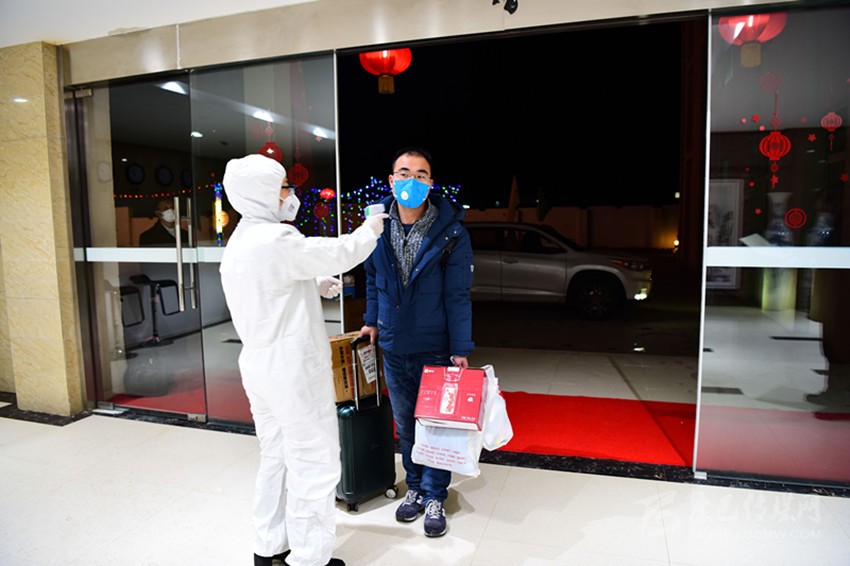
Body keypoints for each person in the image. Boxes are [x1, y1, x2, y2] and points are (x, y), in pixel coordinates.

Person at [219, 153, 388, 566]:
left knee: (276, 456)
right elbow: (338, 251)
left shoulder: (240, 241)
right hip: (292, 369)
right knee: (315, 460)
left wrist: (311, 282)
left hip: (258, 365)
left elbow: (268, 286)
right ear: (263, 193)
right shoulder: (277, 239)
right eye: (284, 187)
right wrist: (369, 230)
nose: (290, 194)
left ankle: (269, 547)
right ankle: (310, 558)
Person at [359, 147, 474, 538]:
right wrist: (371, 322)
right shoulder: (375, 226)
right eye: (405, 173)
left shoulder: (451, 233)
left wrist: (460, 348)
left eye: (421, 174)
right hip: (393, 344)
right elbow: (373, 279)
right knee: (406, 423)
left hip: (434, 345)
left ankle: (436, 494)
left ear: (431, 182)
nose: (413, 181)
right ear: (391, 181)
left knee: (435, 425)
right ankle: (415, 486)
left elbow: (458, 295)